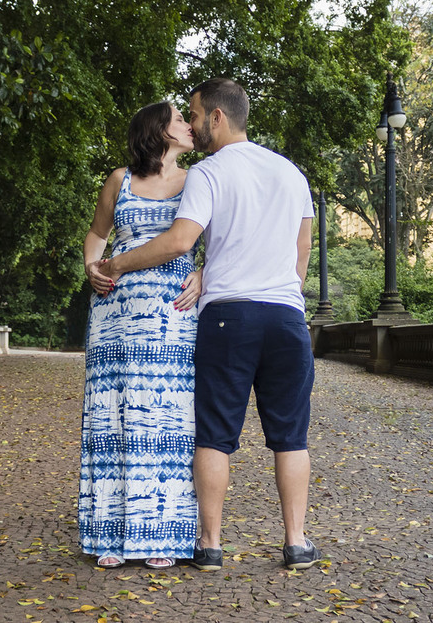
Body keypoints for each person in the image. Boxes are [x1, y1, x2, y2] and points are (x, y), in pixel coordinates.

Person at [99, 78, 322, 571]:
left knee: (215, 436)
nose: (193, 126)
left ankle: (210, 544)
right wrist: (285, 291)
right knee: (291, 436)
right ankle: (296, 541)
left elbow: (180, 241)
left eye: (195, 115)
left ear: (217, 118)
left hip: (229, 317)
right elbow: (302, 251)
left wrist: (116, 265)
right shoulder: (291, 173)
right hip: (286, 316)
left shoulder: (209, 173)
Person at [77, 102, 202, 570]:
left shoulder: (197, 181)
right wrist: (91, 265)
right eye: (179, 121)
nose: (190, 126)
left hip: (172, 313)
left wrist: (205, 274)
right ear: (157, 130)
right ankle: (110, 534)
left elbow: (222, 238)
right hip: (116, 312)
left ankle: (162, 536)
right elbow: (96, 233)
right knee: (116, 416)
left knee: (168, 419)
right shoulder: (119, 179)